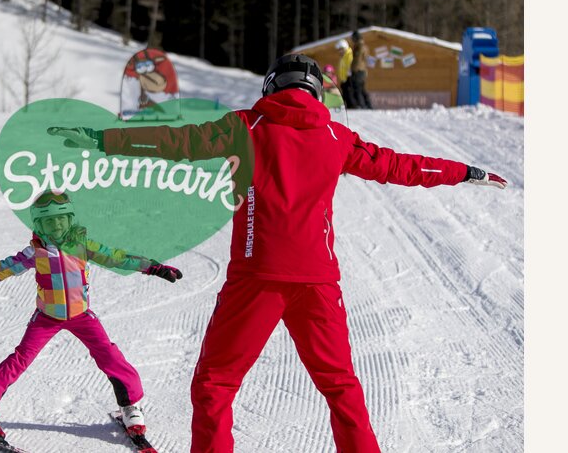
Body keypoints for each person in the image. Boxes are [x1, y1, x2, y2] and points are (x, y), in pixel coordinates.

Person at [47, 53, 507, 453]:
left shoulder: (244, 127)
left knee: (216, 386)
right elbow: (401, 167)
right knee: (341, 387)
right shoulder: (336, 138)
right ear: (316, 93)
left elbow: (174, 143)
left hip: (256, 279)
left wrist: (102, 139)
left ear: (272, 87)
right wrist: (464, 170)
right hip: (317, 283)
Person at [0, 190, 184, 441]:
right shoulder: (35, 252)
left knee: (109, 354)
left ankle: (130, 405)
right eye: (48, 221)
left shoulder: (82, 246)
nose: (56, 225)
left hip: (81, 315)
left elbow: (117, 257)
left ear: (70, 219)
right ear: (39, 224)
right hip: (47, 317)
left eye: (61, 219)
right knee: (21, 358)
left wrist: (153, 267)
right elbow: (2, 269)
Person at [350, 30, 374, 109]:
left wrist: (354, 70)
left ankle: (362, 105)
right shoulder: (362, 46)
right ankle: (368, 105)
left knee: (358, 88)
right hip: (362, 70)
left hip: (358, 70)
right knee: (362, 88)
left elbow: (357, 60)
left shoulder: (360, 47)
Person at [336, 38, 357, 108]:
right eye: (339, 50)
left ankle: (352, 106)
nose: (340, 51)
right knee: (345, 93)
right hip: (344, 78)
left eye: (341, 49)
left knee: (349, 93)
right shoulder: (343, 56)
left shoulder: (349, 54)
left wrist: (349, 75)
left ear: (345, 48)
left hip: (348, 77)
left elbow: (350, 65)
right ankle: (348, 106)